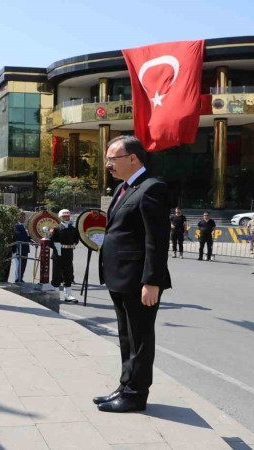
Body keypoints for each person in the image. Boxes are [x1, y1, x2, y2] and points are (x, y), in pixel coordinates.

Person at [94, 135, 171, 413]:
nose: (108, 165)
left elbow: (156, 240)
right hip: (120, 277)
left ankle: (137, 395)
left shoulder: (152, 188)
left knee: (140, 338)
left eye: (112, 159)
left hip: (139, 279)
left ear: (133, 158)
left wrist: (152, 281)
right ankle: (125, 386)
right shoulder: (123, 188)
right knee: (126, 336)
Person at [50, 209, 80, 302]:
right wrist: (56, 246)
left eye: (68, 216)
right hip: (58, 254)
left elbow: (76, 240)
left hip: (68, 253)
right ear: (60, 217)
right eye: (64, 216)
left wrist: (73, 244)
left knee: (68, 274)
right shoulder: (56, 229)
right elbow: (51, 241)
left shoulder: (73, 229)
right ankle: (55, 294)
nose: (67, 218)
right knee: (57, 274)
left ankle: (68, 295)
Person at [12, 211, 33, 283]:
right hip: (19, 248)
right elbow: (20, 237)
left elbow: (26, 237)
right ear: (18, 217)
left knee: (23, 264)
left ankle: (20, 278)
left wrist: (33, 240)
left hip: (25, 248)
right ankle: (17, 279)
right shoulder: (16, 225)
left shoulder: (23, 226)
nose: (24, 218)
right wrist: (29, 240)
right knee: (19, 264)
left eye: (24, 217)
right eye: (22, 217)